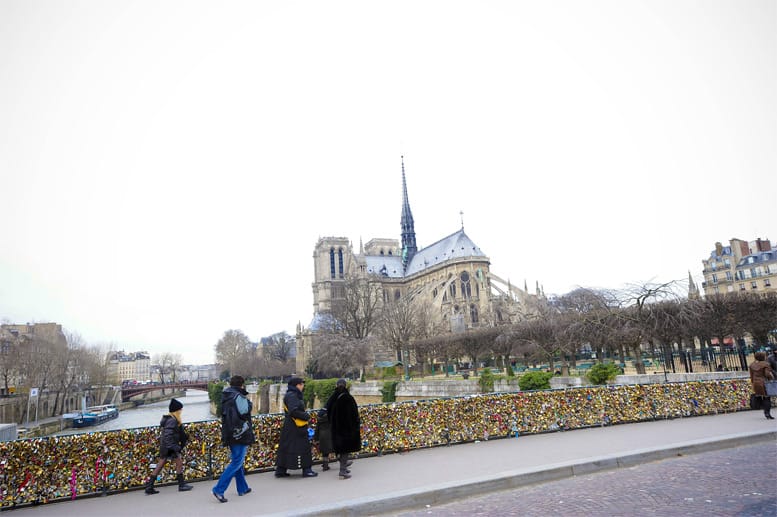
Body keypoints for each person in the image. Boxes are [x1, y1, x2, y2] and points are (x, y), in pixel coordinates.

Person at [212, 375, 256, 503]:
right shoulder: (238, 396)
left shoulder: (227, 395)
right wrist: (249, 403)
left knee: (237, 460)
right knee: (236, 462)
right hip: (239, 433)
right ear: (241, 385)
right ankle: (219, 489)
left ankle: (242, 488)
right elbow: (244, 411)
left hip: (230, 432)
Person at [144, 398, 193, 494]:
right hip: (170, 447)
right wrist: (174, 447)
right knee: (179, 463)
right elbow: (168, 436)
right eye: (180, 409)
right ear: (176, 410)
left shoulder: (170, 419)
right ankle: (181, 485)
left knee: (160, 465)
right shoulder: (172, 420)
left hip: (166, 446)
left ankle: (149, 486)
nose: (181, 411)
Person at [275, 377, 318, 478]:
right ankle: (307, 470)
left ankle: (281, 470)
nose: (303, 387)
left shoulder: (290, 395)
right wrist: (306, 416)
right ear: (297, 385)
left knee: (287, 447)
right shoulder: (293, 396)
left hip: (290, 426)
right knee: (304, 447)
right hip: (296, 426)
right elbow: (293, 411)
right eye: (302, 384)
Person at [325, 379, 361, 479]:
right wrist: (355, 426)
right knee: (345, 450)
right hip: (346, 428)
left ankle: (343, 468)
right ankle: (342, 471)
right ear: (346, 386)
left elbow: (327, 411)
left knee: (339, 449)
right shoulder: (348, 398)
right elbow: (354, 414)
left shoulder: (333, 397)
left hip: (335, 427)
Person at [749, 351, 775, 420]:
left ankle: (764, 410)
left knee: (760, 396)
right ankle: (767, 413)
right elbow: (767, 374)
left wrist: (753, 383)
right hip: (764, 383)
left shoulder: (752, 365)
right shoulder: (765, 364)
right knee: (767, 398)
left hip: (756, 383)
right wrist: (771, 378)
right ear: (763, 357)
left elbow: (751, 376)